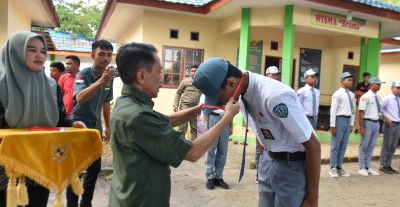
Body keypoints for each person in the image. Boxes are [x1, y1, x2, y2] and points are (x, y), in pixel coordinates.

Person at [109, 43, 239, 206]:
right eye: (158, 72)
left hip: (125, 195)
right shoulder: (139, 117)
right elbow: (193, 152)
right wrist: (227, 117)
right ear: (141, 76)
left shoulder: (127, 104)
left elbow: (166, 120)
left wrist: (198, 108)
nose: (161, 79)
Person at [193, 58, 321, 207]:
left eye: (218, 96)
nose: (219, 102)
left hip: (291, 165)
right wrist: (265, 157)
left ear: (231, 83)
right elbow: (261, 127)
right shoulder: (240, 93)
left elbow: (313, 145)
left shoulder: (274, 96)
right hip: (268, 160)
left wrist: (313, 199)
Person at [0, 31, 85, 207]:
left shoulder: (51, 85)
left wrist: (71, 123)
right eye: (31, 50)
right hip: (5, 167)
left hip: (40, 162)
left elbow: (59, 118)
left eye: (42, 51)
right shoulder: (2, 84)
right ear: (15, 52)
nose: (39, 55)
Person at [66, 39, 115, 207]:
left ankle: (86, 203)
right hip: (79, 126)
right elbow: (79, 98)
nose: (106, 59)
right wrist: (101, 80)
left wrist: (108, 126)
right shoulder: (83, 75)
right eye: (101, 54)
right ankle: (71, 204)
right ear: (93, 55)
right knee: (76, 170)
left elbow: (106, 102)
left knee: (95, 168)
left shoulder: (110, 77)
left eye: (109, 55)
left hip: (95, 128)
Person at [199, 95, 232, 190]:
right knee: (211, 148)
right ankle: (210, 177)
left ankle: (219, 177)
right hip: (212, 117)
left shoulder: (228, 89)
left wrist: (231, 125)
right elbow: (203, 104)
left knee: (223, 149)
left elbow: (232, 106)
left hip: (226, 118)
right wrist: (204, 123)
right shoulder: (211, 89)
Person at [329, 72, 355, 178]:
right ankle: (333, 168)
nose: (351, 82)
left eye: (351, 80)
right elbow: (333, 110)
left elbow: (353, 111)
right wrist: (333, 125)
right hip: (339, 119)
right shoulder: (337, 94)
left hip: (348, 120)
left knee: (343, 145)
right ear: (342, 81)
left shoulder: (352, 95)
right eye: (348, 80)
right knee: (335, 145)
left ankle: (339, 166)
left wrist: (352, 124)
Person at [357, 77, 383, 176]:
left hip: (376, 122)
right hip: (367, 122)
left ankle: (368, 166)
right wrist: (361, 127)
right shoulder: (365, 96)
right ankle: (362, 167)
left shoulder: (379, 97)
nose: (379, 86)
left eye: (380, 84)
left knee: (371, 146)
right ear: (371, 84)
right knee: (364, 145)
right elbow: (361, 112)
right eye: (377, 84)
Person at [173, 65, 202, 140]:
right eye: (192, 71)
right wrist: (175, 105)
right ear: (190, 72)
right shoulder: (185, 81)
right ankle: (181, 146)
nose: (194, 73)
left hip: (195, 108)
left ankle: (193, 145)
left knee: (195, 128)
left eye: (195, 71)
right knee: (182, 127)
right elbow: (178, 92)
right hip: (185, 106)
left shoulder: (201, 82)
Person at [379, 81, 400, 174]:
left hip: (397, 124)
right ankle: (383, 165)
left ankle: (388, 164)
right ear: (392, 88)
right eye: (398, 87)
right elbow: (380, 110)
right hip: (389, 124)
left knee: (393, 146)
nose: (399, 90)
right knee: (387, 145)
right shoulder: (387, 98)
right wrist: (386, 118)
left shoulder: (399, 99)